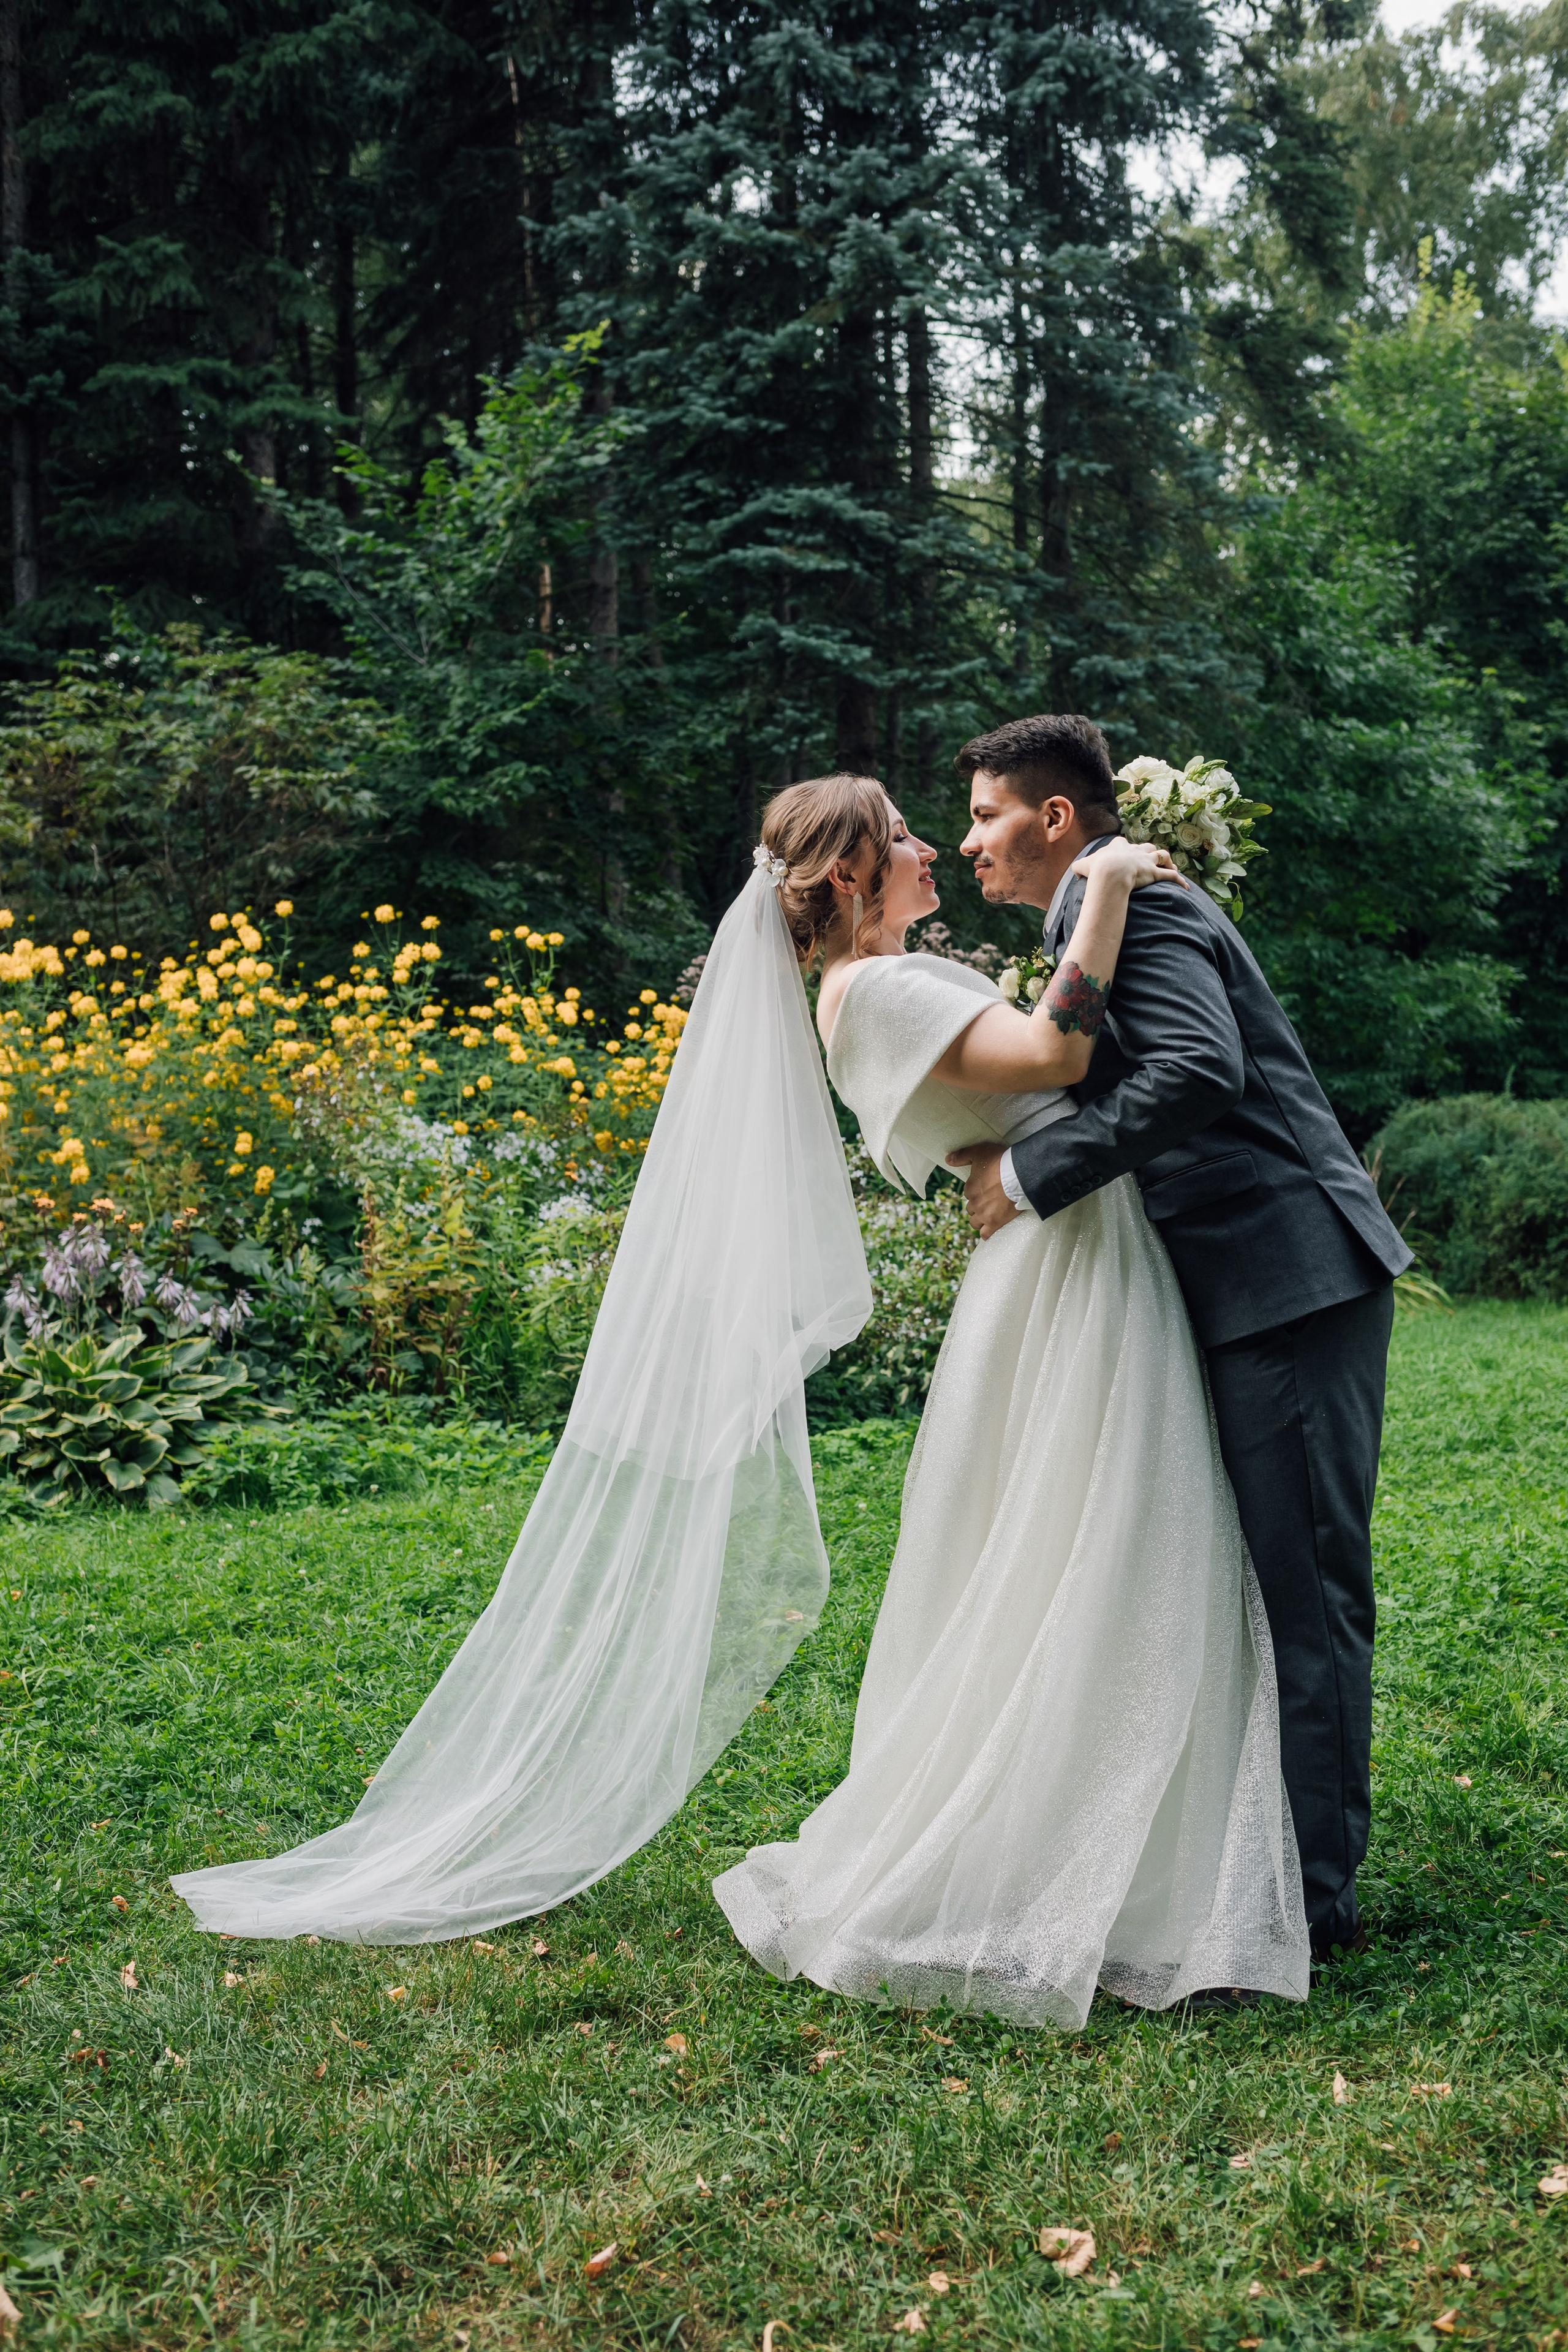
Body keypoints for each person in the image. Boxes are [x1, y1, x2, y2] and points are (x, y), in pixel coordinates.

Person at [712, 775, 1309, 2026]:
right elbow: (1054, 1053)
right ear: (849, 880)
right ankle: (1056, 1853)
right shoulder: (865, 992)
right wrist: (1100, 878)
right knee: (1091, 1543)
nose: (929, 849)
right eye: (900, 840)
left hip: (1076, 1253)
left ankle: (1128, 1843)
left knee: (1097, 1546)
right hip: (1066, 1272)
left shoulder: (878, 984)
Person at [947, 715, 1411, 1965]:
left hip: (1286, 1277)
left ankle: (1310, 1904)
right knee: (1257, 1581)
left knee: (1303, 1590)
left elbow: (1199, 1070)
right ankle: (1252, 1854)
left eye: (987, 814)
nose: (967, 840)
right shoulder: (1096, 908)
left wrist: (1036, 1173)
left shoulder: (1146, 912)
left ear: (1055, 818)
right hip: (1227, 1284)